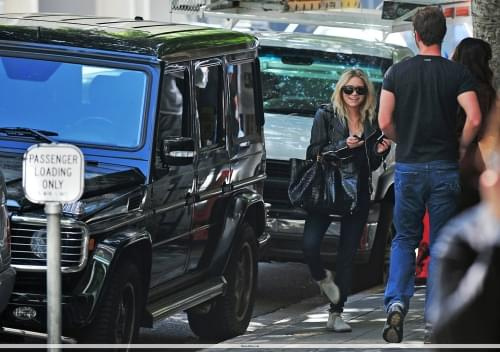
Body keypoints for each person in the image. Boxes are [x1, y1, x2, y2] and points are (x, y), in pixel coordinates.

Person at [377, 6, 482, 343]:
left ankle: (395, 303)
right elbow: (475, 118)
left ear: (416, 35)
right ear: (443, 34)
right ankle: (435, 319)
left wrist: (401, 138)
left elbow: (383, 122)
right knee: (439, 245)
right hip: (444, 167)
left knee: (404, 239)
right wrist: (463, 147)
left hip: (408, 167)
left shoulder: (397, 73)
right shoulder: (457, 74)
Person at [303, 68, 391, 332]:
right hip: (328, 188)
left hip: (357, 191)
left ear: (367, 93)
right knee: (309, 245)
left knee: (347, 254)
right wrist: (344, 146)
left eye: (360, 90)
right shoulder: (326, 115)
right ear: (341, 91)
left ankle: (336, 313)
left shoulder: (372, 120)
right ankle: (321, 276)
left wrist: (377, 152)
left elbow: (371, 165)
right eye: (349, 89)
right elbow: (314, 152)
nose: (354, 94)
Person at [429, 107, 500, 343]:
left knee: (405, 240)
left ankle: (396, 300)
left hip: (417, 171)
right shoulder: (468, 237)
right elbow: (450, 335)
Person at [452, 37, 498, 210]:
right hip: (477, 160)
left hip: (454, 157)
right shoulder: (485, 91)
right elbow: (479, 122)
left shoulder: (455, 87)